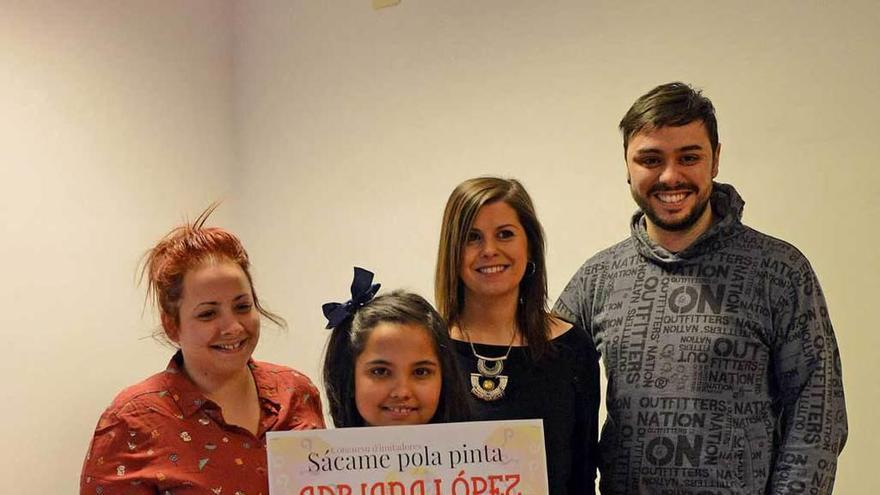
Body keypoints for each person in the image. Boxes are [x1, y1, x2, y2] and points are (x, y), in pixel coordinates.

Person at [554, 82, 848, 494]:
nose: (670, 175)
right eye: (650, 159)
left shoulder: (779, 271)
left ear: (715, 160)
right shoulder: (598, 278)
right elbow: (539, 377)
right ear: (627, 166)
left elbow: (818, 412)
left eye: (688, 157)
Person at [80, 207, 324, 495]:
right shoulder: (132, 421)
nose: (232, 327)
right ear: (172, 326)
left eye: (242, 306)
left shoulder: (296, 392)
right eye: (208, 314)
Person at [435, 177, 599, 495]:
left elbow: (581, 479)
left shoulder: (573, 350)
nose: (489, 250)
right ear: (452, 251)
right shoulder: (427, 349)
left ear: (530, 245)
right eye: (472, 238)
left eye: (505, 234)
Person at [322, 267, 471, 427]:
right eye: (380, 371)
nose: (402, 392)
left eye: (421, 372)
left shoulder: (479, 448)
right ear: (349, 379)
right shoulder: (319, 451)